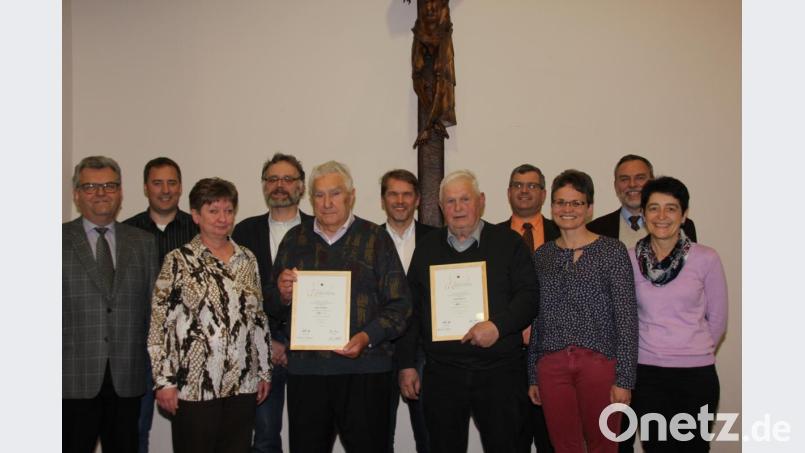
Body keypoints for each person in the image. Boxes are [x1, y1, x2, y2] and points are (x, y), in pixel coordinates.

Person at [270, 161, 411, 453]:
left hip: (365, 373)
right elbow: (270, 306)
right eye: (319, 195)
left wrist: (367, 337)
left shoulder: (375, 238)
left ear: (351, 196)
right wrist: (282, 296)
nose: (327, 202)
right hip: (307, 375)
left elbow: (400, 305)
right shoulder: (294, 240)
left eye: (335, 194)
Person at [397, 169, 538, 452]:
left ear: (481, 201)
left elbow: (530, 297)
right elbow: (411, 309)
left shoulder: (509, 243)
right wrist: (406, 363)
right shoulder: (426, 249)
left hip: (500, 373)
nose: (458, 208)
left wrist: (497, 327)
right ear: (440, 207)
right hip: (442, 374)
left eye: (465, 199)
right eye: (450, 201)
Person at [148, 177, 272, 453]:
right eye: (213, 211)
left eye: (228, 210)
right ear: (195, 215)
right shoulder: (178, 260)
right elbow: (159, 325)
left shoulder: (248, 259)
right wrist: (164, 381)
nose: (222, 218)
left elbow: (258, 320)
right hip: (194, 386)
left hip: (242, 384)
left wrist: (264, 371)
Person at [526, 170, 638, 453]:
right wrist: (532, 375)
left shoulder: (612, 251)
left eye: (575, 203)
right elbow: (536, 319)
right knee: (564, 447)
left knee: (604, 444)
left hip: (599, 364)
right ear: (551, 207)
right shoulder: (542, 256)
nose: (567, 210)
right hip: (551, 366)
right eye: (561, 202)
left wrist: (624, 379)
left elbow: (626, 318)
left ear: (589, 208)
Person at [63, 156, 158, 453]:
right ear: (76, 194)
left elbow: (153, 311)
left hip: (127, 375)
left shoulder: (143, 243)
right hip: (72, 376)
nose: (101, 193)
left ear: (120, 192)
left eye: (109, 185)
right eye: (91, 186)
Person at [628, 177, 727, 452]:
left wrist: (693, 349)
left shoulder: (706, 258)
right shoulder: (628, 259)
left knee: (693, 447)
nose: (662, 216)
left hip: (695, 375)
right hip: (647, 374)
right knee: (656, 447)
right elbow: (625, 317)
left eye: (671, 208)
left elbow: (717, 319)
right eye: (653, 208)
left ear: (683, 215)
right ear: (644, 214)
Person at [232, 153, 312, 453]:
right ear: (264, 186)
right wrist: (268, 341)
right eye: (272, 179)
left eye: (288, 179)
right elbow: (240, 296)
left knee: (310, 433)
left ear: (301, 187)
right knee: (264, 436)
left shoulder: (319, 230)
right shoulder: (243, 232)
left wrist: (293, 342)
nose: (280, 185)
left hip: (308, 349)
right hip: (258, 348)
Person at [123, 156, 199, 453]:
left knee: (193, 433)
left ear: (180, 188)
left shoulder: (198, 232)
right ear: (145, 188)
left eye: (171, 182)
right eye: (157, 183)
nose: (165, 190)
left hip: (189, 352)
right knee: (136, 429)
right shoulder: (126, 233)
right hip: (140, 350)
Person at [498, 164, 556, 453]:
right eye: (518, 185)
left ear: (544, 193)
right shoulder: (490, 237)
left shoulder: (565, 232)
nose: (524, 190)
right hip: (507, 356)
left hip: (552, 354)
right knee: (510, 439)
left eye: (532, 185)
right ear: (508, 192)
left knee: (553, 440)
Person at [380, 169, 434, 453]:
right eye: (393, 194)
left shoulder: (437, 240)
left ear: (417, 200)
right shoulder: (367, 240)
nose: (400, 200)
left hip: (425, 350)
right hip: (379, 350)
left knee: (429, 435)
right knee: (377, 436)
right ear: (383, 199)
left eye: (406, 194)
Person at [587, 154, 697, 247]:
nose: (632, 184)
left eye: (640, 178)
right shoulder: (595, 229)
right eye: (624, 179)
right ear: (615, 186)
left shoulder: (682, 226)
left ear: (652, 182)